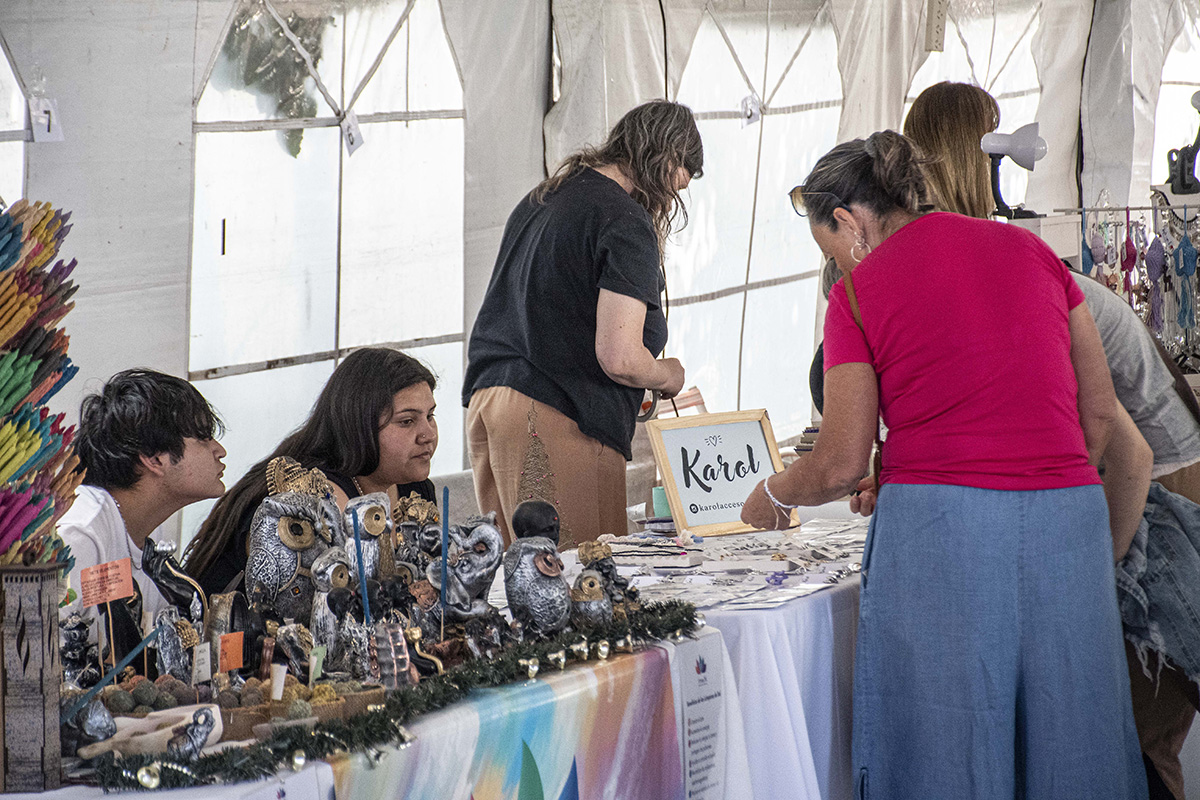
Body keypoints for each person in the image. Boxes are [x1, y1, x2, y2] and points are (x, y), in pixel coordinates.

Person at [742, 131, 1145, 798]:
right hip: (1068, 519)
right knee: (1079, 741)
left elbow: (840, 461)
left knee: (943, 749)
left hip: (943, 533)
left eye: (831, 250)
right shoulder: (1033, 251)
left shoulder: (857, 295)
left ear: (848, 221)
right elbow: (1098, 419)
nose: (838, 269)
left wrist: (774, 494)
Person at [906, 80, 1200, 800]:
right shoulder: (1002, 265)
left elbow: (1122, 450)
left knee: (1129, 724)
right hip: (1133, 477)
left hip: (1152, 491)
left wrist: (1089, 585)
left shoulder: (1014, 276)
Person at [463, 100, 702, 547]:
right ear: (664, 159)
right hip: (555, 415)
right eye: (673, 188)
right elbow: (621, 357)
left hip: (490, 401)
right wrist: (666, 374)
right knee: (578, 579)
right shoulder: (623, 219)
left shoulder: (544, 198)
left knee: (516, 582)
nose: (668, 201)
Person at [184, 348, 438, 596]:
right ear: (359, 425)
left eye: (430, 415)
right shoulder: (310, 498)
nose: (428, 435)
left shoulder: (415, 490)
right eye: (407, 421)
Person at [59, 369, 226, 648]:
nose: (219, 450)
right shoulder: (79, 536)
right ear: (154, 458)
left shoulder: (150, 528)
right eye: (203, 438)